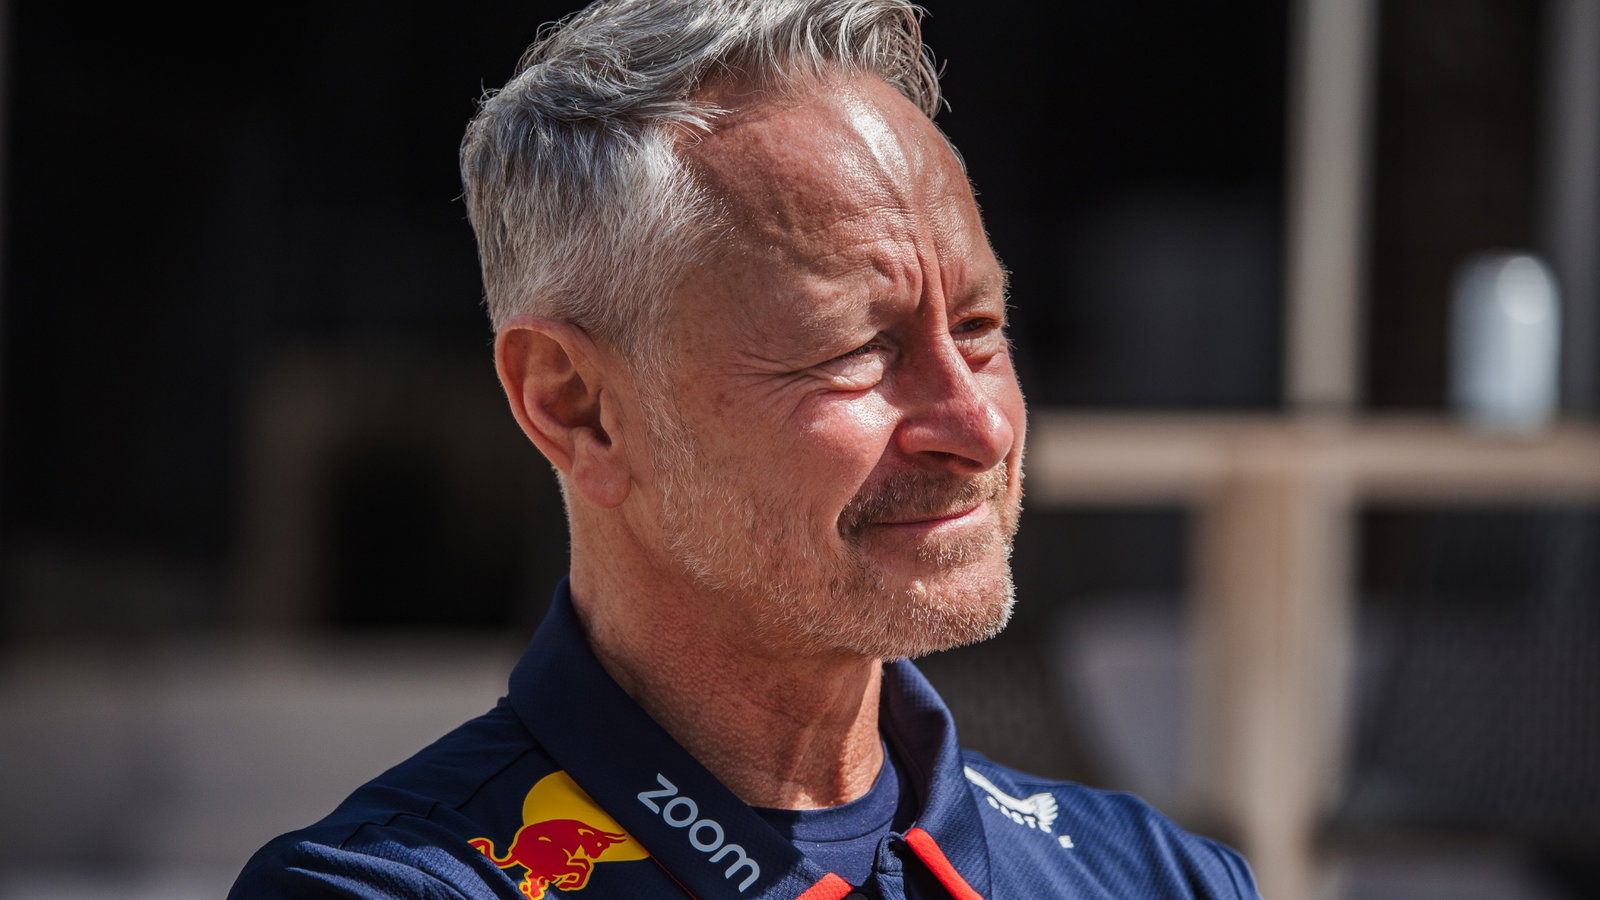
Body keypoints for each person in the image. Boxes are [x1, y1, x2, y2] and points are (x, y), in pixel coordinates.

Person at [230, 1, 1259, 897]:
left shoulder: (1156, 874)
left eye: (981, 330)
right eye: (858, 351)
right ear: (577, 406)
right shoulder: (389, 889)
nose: (978, 425)